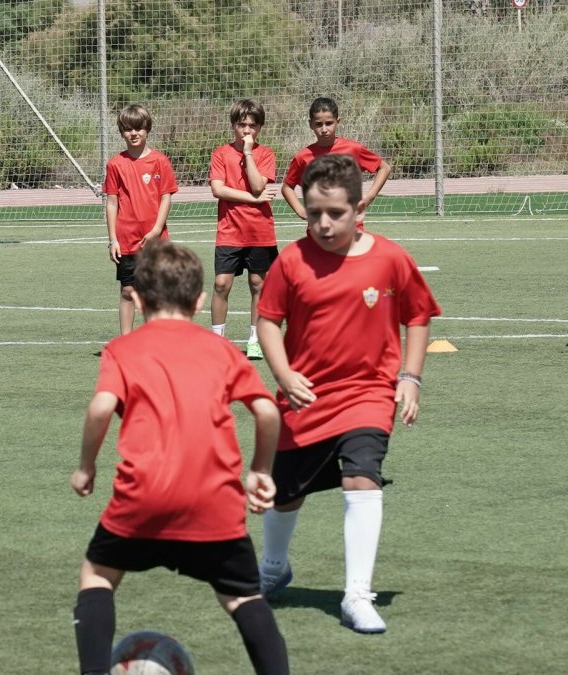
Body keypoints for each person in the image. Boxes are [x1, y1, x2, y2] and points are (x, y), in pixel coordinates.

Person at [70, 241, 290, 675]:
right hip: (214, 503)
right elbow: (266, 410)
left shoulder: (124, 350)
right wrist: (260, 471)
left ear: (135, 296)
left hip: (143, 497)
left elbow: (99, 408)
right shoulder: (224, 351)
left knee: (96, 576)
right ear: (200, 300)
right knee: (243, 598)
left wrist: (86, 466)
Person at [255, 154, 441, 635]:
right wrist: (284, 374)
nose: (322, 222)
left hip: (368, 396)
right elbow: (267, 321)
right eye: (314, 212)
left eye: (334, 213)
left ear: (359, 210)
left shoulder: (390, 258)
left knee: (363, 480)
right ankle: (273, 567)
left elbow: (418, 316)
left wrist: (410, 377)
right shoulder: (292, 260)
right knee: (285, 497)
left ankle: (357, 594)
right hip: (306, 399)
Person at [209, 99, 280, 359]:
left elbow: (258, 185)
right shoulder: (220, 154)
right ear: (233, 126)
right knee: (221, 284)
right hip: (229, 231)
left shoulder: (266, 154)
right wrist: (253, 199)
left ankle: (255, 339)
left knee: (258, 284)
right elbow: (219, 190)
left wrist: (248, 153)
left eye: (252, 125)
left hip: (260, 231)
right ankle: (218, 339)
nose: (247, 130)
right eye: (242, 125)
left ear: (259, 127)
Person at [103, 103, 178, 335]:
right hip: (126, 240)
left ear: (147, 129)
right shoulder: (116, 164)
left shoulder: (160, 161)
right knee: (128, 291)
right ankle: (127, 341)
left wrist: (156, 229)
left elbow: (166, 198)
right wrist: (112, 239)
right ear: (121, 132)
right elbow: (112, 202)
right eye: (128, 129)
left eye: (138, 128)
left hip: (154, 240)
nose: (133, 133)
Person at [280, 97, 392, 227]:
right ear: (310, 124)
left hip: (351, 227)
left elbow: (384, 168)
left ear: (338, 121)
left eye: (329, 123)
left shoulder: (353, 149)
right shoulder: (302, 157)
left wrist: (368, 197)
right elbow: (287, 187)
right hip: (318, 229)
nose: (324, 129)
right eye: (318, 124)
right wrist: (301, 211)